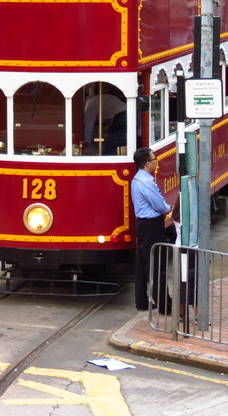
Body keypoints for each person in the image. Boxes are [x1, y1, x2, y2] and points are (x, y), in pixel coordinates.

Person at [131, 147, 172, 311]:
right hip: (151, 225)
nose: (156, 162)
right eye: (154, 160)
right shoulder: (146, 182)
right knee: (156, 263)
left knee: (142, 263)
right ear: (148, 163)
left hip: (143, 224)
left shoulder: (138, 179)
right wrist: (168, 208)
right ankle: (163, 304)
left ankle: (141, 301)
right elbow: (159, 204)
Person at [83, 86, 127, 155]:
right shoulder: (114, 100)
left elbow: (88, 124)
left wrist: (86, 142)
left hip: (119, 126)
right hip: (125, 126)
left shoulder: (93, 101)